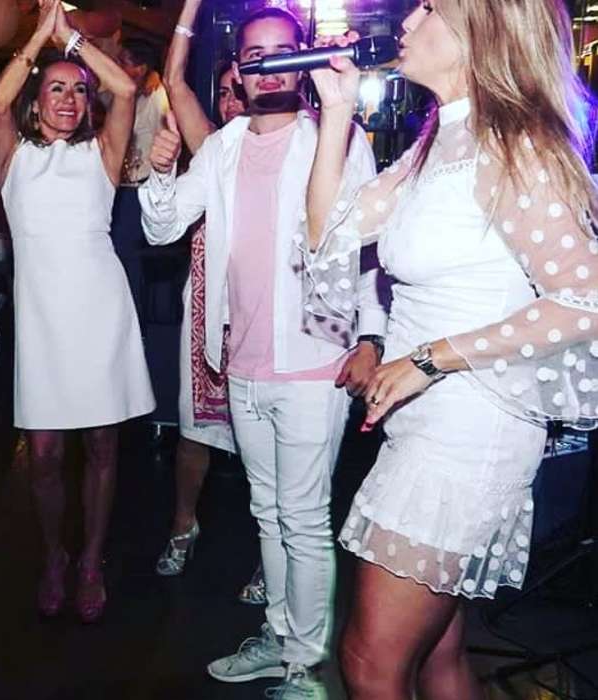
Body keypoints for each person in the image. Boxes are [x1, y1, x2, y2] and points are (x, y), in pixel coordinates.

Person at [304, 1, 598, 698]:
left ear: (481, 30)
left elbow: (585, 299)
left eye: (431, 7)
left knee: (370, 663)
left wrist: (431, 358)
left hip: (469, 432)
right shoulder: (439, 140)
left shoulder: (516, 145)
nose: (407, 21)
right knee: (439, 655)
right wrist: (336, 113)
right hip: (428, 425)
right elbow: (326, 234)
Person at [139, 7, 388, 697]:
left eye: (284, 52)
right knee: (268, 512)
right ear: (240, 71)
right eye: (256, 55)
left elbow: (369, 248)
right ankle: (281, 640)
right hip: (242, 362)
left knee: (303, 519)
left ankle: (306, 666)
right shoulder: (222, 147)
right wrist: (158, 173)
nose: (270, 66)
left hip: (313, 361)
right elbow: (163, 228)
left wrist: (372, 336)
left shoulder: (334, 136)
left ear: (302, 62)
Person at [0, 0, 154, 623]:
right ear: (36, 102)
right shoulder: (14, 158)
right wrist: (40, 38)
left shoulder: (101, 155)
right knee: (46, 454)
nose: (68, 98)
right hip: (42, 322)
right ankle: (54, 554)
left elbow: (126, 90)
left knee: (104, 447)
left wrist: (76, 44)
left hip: (100, 313)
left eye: (78, 91)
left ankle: (89, 559)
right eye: (55, 89)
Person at [152, 0, 255, 602]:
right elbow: (172, 78)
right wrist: (191, 5)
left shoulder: (300, 146)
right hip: (207, 314)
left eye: (242, 90)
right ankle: (182, 526)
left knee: (267, 451)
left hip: (261, 317)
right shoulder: (213, 149)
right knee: (196, 432)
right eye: (225, 93)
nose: (234, 101)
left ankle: (271, 555)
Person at [110, 36, 170, 312]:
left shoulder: (157, 96)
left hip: (140, 187)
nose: (118, 66)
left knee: (128, 258)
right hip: (124, 186)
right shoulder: (130, 95)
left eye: (124, 62)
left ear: (141, 67)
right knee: (120, 257)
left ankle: (135, 321)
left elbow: (167, 138)